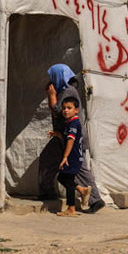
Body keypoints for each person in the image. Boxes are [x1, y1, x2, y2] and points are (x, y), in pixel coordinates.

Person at [43, 64, 105, 213]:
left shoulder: (69, 92)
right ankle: (55, 192)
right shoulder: (65, 91)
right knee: (61, 166)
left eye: (53, 77)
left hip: (74, 138)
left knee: (80, 170)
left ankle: (95, 200)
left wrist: (51, 96)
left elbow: (58, 111)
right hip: (66, 136)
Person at [49, 97, 83, 217]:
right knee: (65, 179)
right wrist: (57, 134)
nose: (66, 111)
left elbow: (70, 140)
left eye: (69, 108)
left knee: (66, 180)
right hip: (73, 157)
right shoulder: (69, 123)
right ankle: (81, 190)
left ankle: (71, 208)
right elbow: (65, 137)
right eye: (64, 108)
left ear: (76, 110)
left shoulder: (74, 123)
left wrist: (65, 157)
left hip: (72, 157)